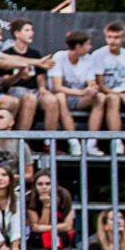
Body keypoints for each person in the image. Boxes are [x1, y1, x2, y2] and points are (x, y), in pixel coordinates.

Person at [86, 21, 125, 150]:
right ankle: (116, 141)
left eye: (116, 37)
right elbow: (100, 85)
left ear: (124, 38)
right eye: (109, 37)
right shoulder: (98, 55)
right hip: (108, 93)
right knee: (113, 98)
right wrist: (121, 95)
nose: (112, 41)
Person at [42, 28, 98, 156]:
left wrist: (92, 89)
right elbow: (57, 87)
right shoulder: (59, 57)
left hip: (79, 98)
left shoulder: (88, 59)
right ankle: (74, 142)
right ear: (78, 46)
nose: (90, 47)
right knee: (60, 96)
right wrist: (81, 92)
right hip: (63, 97)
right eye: (87, 44)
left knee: (99, 98)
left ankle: (91, 143)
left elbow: (91, 83)